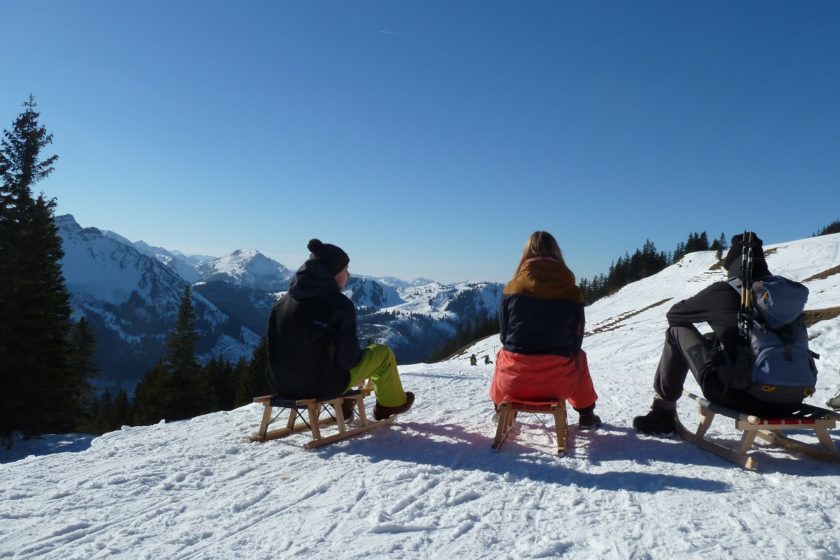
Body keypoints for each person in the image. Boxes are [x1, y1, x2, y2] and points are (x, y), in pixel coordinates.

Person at [633, 232, 797, 435]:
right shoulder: (786, 297)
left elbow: (675, 315)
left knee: (676, 332)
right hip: (793, 399)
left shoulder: (723, 291)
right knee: (721, 342)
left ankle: (663, 411)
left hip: (740, 396)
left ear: (733, 266)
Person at [266, 239, 414, 421]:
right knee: (382, 354)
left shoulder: (280, 304)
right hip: (322, 385)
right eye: (345, 269)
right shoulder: (339, 305)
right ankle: (391, 404)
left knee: (321, 361)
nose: (348, 275)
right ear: (333, 273)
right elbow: (348, 360)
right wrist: (358, 371)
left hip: (280, 385)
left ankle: (343, 405)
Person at [489, 231, 602, 429]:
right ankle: (586, 415)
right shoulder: (572, 292)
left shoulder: (511, 288)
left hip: (513, 383)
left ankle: (500, 409)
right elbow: (576, 342)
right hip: (560, 385)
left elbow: (504, 336)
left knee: (503, 354)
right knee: (579, 357)